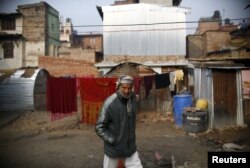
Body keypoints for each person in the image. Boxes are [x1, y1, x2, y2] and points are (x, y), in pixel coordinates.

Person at [95, 75, 143, 168]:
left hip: (130, 148)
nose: (126, 91)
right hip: (113, 149)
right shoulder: (110, 103)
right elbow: (99, 127)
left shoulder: (132, 98)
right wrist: (113, 140)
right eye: (124, 87)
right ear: (118, 86)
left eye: (129, 88)